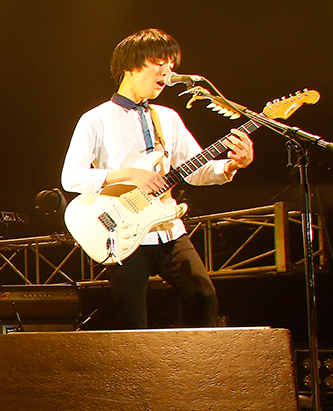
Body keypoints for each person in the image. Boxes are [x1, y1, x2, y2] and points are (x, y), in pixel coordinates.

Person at [61, 28, 253, 329]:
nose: (167, 72)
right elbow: (71, 177)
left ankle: (195, 360)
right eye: (159, 63)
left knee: (203, 298)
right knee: (133, 322)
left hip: (168, 229)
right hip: (123, 232)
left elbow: (196, 170)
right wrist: (129, 174)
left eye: (171, 65)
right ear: (130, 66)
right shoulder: (96, 119)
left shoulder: (168, 117)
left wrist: (231, 166)